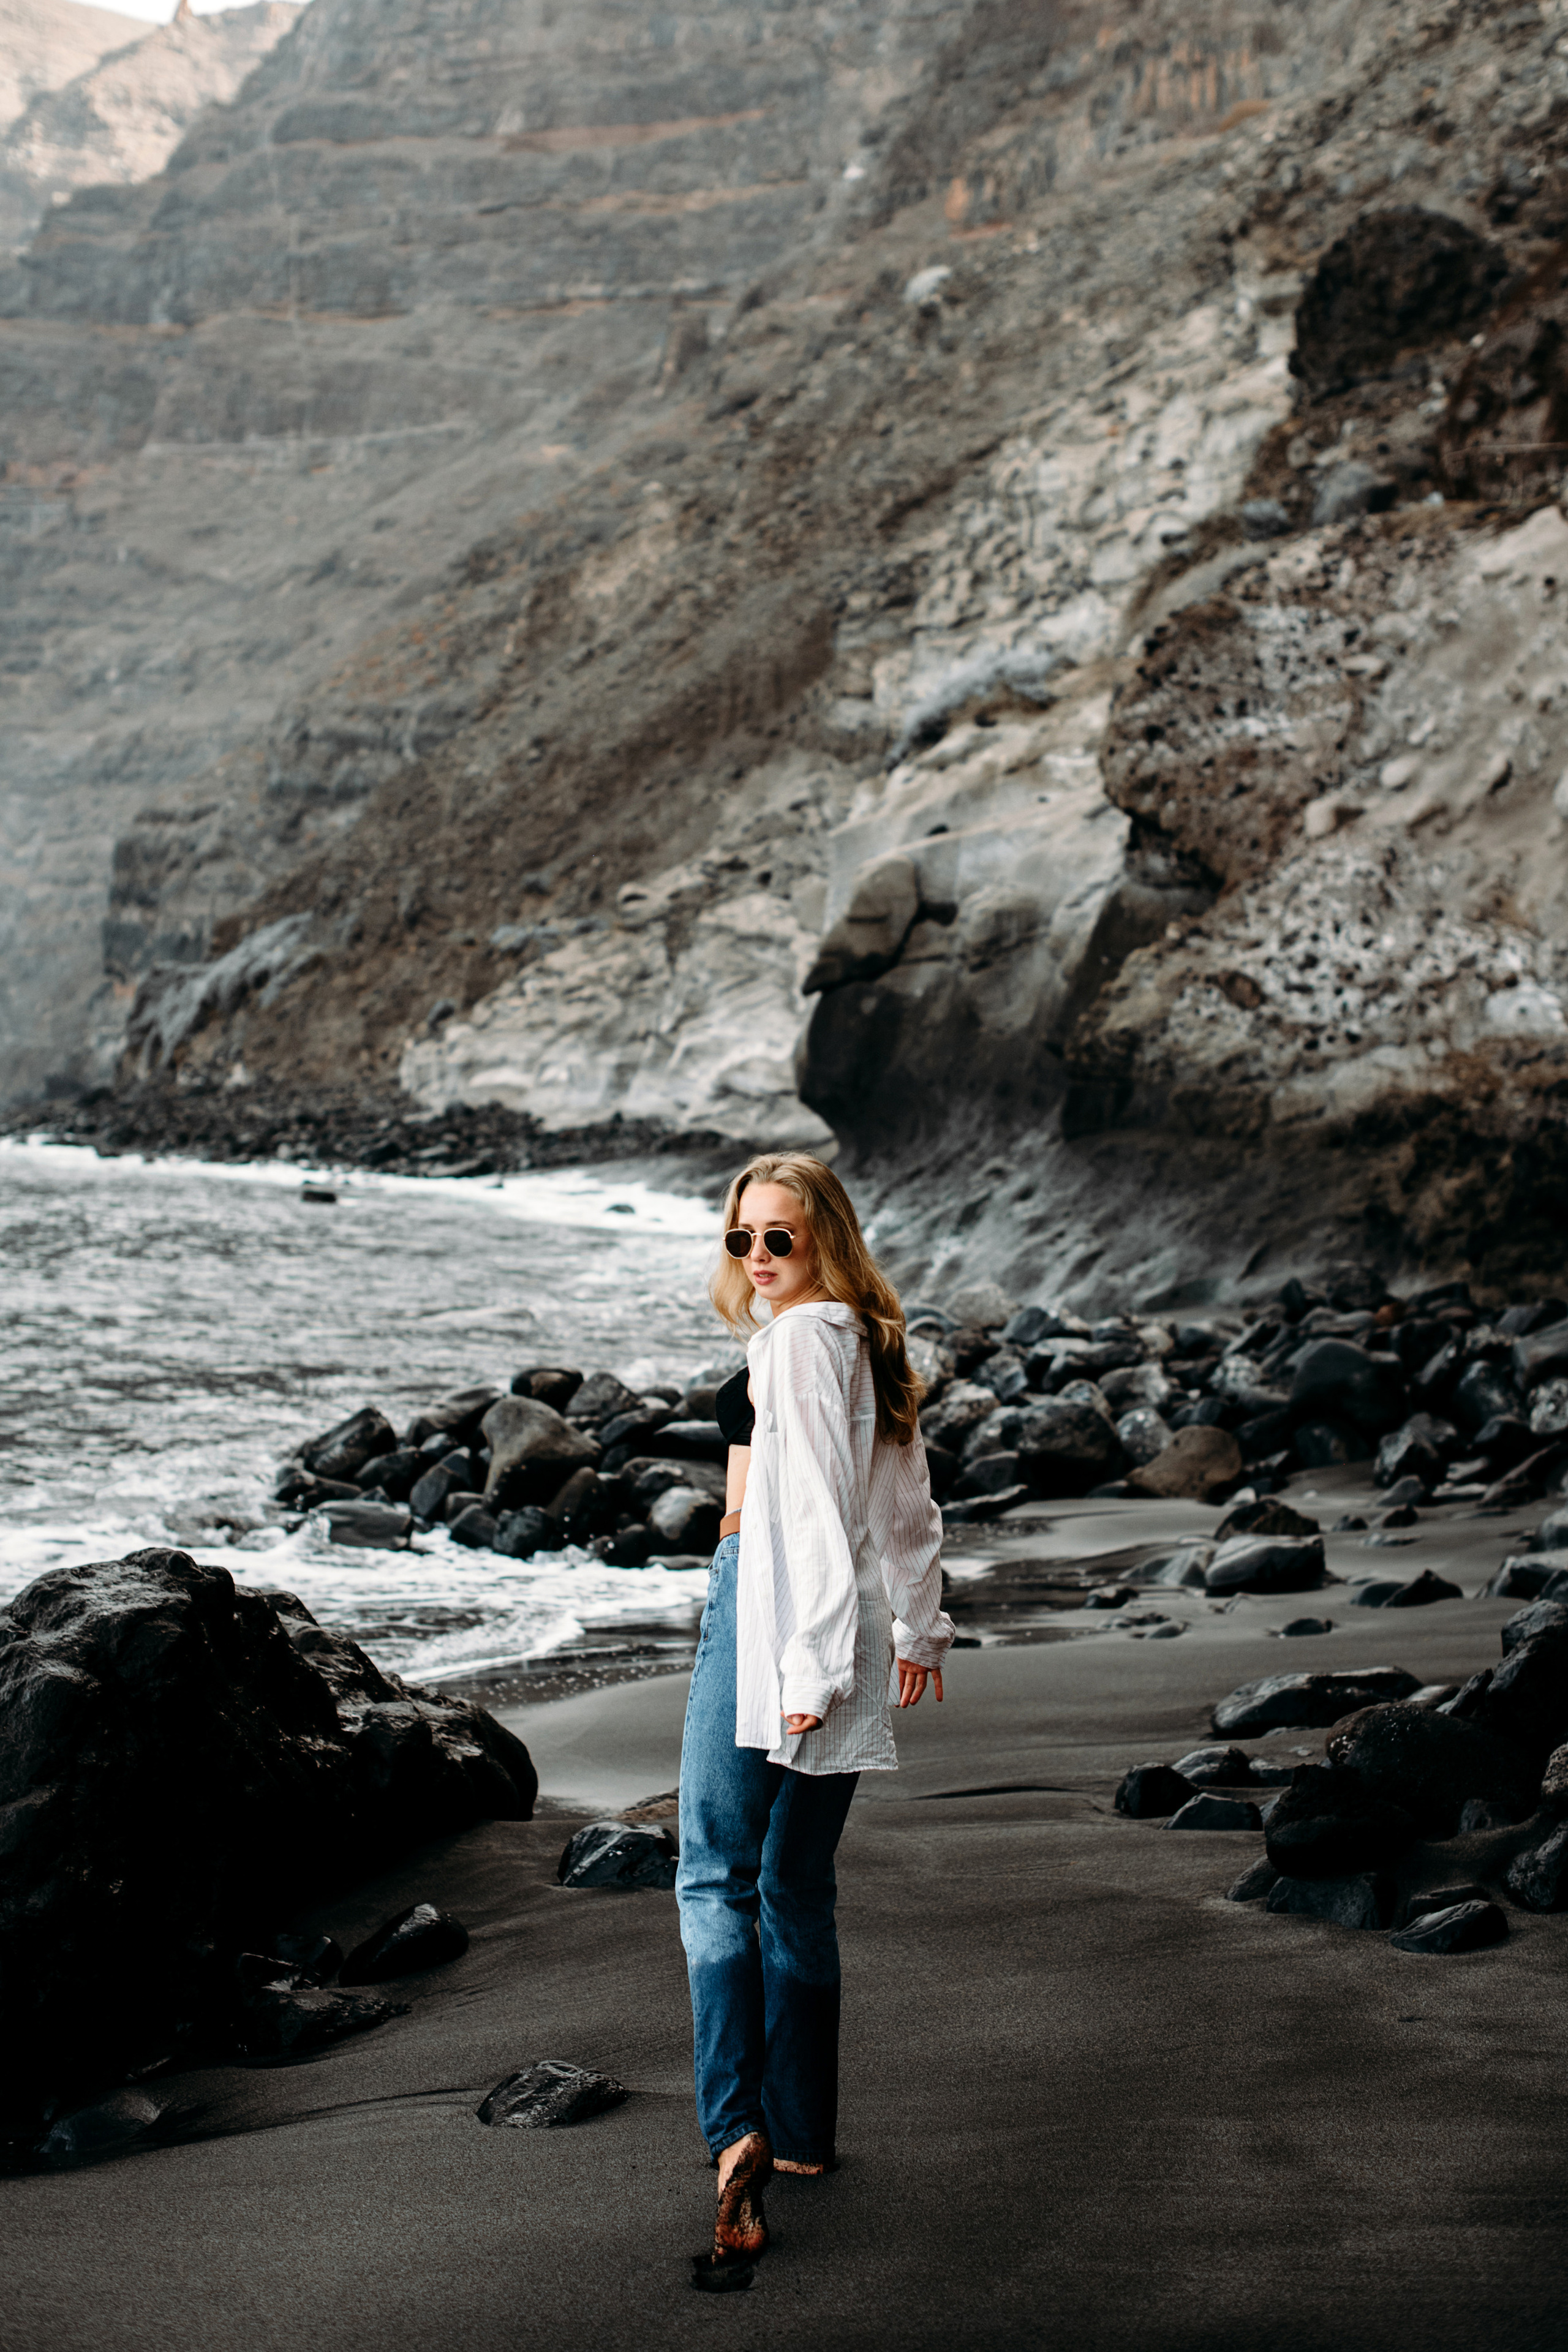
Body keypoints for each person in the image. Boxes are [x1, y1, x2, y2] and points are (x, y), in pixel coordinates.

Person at [676, 1151, 954, 2284]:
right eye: (742, 1239)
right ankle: (804, 2140)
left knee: (713, 1878)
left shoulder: (793, 1343)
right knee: (796, 1884)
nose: (757, 1259)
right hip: (835, 1633)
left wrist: (809, 1664)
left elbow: (801, 1521)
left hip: (777, 1623)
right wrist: (919, 1631)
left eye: (778, 1238)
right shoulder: (870, 1343)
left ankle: (734, 2128)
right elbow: (907, 1506)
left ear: (826, 1237)